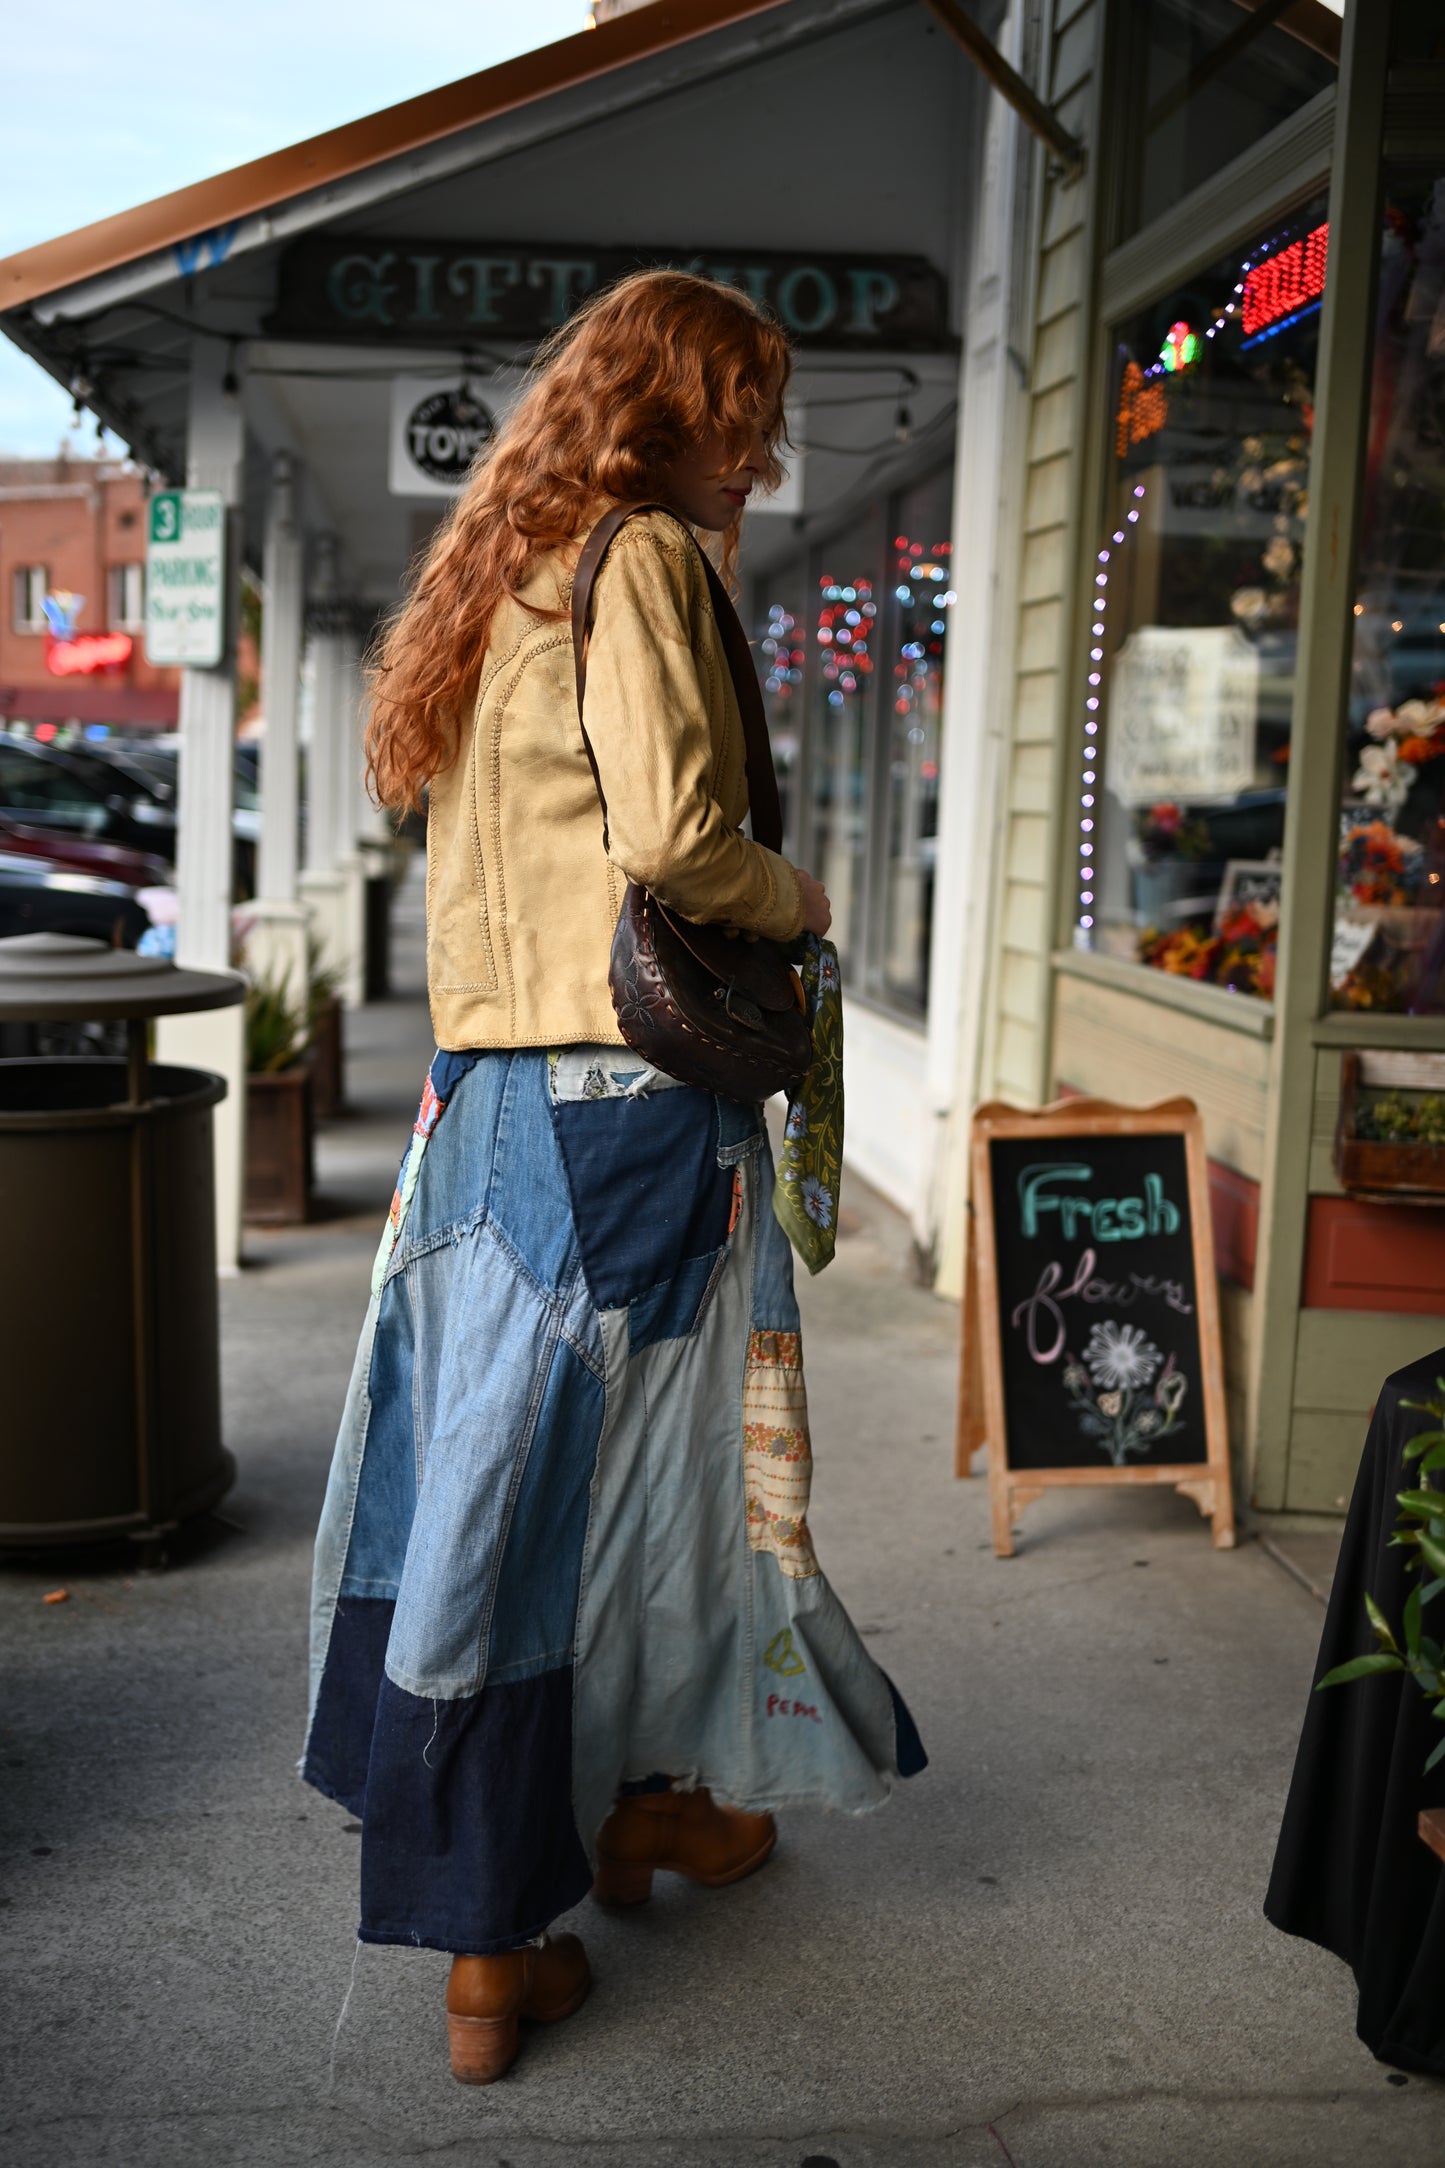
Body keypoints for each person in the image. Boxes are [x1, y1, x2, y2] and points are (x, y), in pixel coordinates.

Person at [301, 269, 925, 2086]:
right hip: (632, 1103)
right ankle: (505, 1918)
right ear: (675, 409)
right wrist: (793, 899)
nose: (769, 450)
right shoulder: (642, 557)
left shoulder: (506, 574)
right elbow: (668, 838)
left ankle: (628, 1824)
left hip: (489, 1097)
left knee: (518, 1483)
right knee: (658, 1481)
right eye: (749, 409)